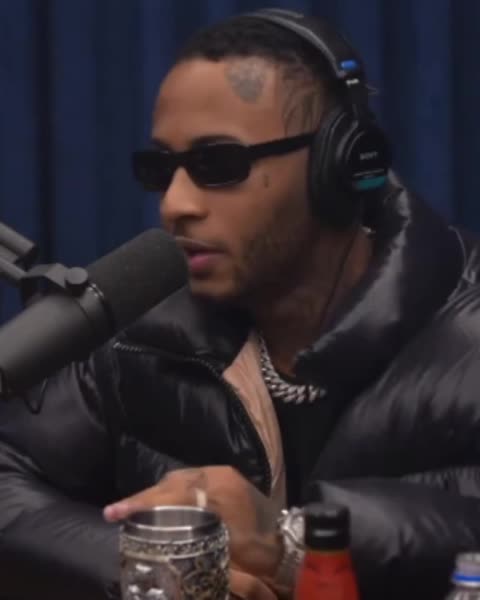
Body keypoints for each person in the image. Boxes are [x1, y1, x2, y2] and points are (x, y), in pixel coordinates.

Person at [1, 6, 480, 600]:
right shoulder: (145, 329)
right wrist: (144, 563)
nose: (175, 204)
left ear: (338, 165)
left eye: (218, 164)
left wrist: (293, 542)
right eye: (160, 169)